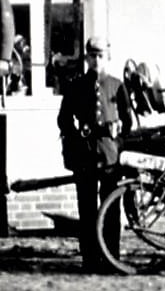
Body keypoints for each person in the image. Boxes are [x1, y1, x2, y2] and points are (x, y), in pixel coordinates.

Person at [57, 39, 135, 271]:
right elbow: (63, 120)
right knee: (87, 208)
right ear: (87, 58)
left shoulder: (116, 85)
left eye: (100, 56)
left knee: (111, 207)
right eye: (92, 56)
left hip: (110, 156)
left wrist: (117, 142)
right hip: (85, 155)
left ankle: (112, 258)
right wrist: (76, 138)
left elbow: (128, 122)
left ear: (107, 57)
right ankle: (90, 259)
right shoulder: (76, 85)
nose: (96, 60)